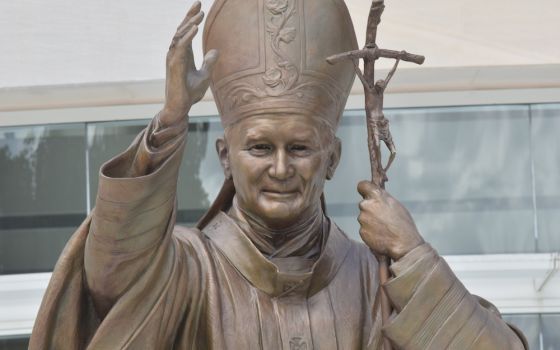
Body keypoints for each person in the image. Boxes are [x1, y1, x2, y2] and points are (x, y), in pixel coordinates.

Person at [30, 0, 527, 349]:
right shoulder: (187, 268)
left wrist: (412, 257)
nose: (282, 168)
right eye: (261, 148)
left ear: (331, 159)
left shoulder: (373, 280)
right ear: (227, 157)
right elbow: (111, 277)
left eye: (302, 148)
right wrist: (171, 121)